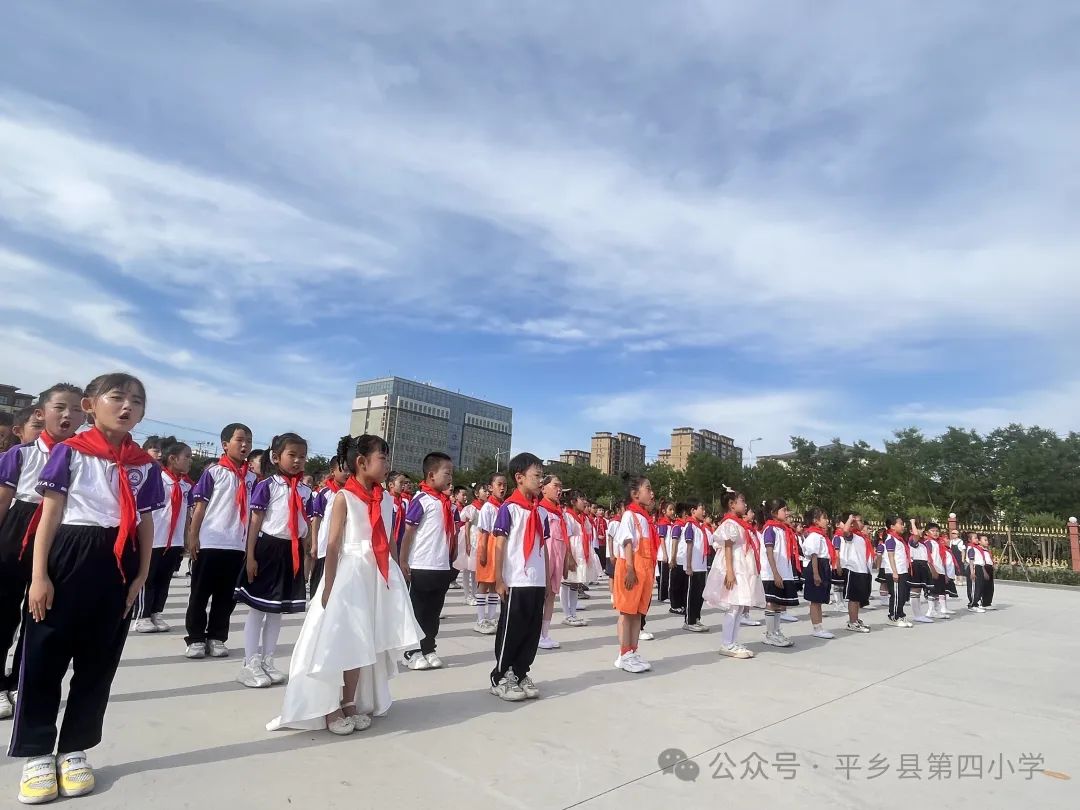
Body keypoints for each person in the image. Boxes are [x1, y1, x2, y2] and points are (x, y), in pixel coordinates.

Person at [9, 373, 163, 804]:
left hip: (119, 560)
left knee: (98, 661)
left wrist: (141, 576)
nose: (128, 406)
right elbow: (49, 516)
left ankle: (74, 747)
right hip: (70, 553)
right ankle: (37, 751)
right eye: (118, 397)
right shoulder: (71, 453)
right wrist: (40, 577)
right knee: (45, 654)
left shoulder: (144, 465)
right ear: (91, 406)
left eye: (137, 400)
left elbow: (147, 522)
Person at [268, 435, 422, 735]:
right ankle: (330, 706)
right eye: (382, 458)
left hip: (376, 575)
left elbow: (389, 539)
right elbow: (334, 543)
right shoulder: (344, 497)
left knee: (365, 641)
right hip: (349, 575)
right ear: (362, 462)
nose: (387, 464)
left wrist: (395, 574)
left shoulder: (387, 499)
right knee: (340, 640)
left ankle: (351, 701)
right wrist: (328, 586)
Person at [0, 383, 85, 722]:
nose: (68, 415)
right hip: (18, 532)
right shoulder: (19, 455)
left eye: (77, 409)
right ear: (41, 413)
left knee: (41, 617)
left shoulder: (82, 455)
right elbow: (4, 502)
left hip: (57, 536)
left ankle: (23, 681)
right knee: (4, 613)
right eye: (60, 407)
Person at [234, 433, 312, 687]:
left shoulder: (305, 490)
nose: (298, 461)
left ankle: (268, 660)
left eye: (302, 456)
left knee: (278, 610)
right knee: (258, 608)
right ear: (276, 457)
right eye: (292, 455)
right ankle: (250, 662)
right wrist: (251, 556)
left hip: (291, 551)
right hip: (267, 549)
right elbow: (255, 522)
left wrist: (307, 546)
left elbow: (305, 523)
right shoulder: (267, 485)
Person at [489, 453, 548, 701]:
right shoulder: (509, 508)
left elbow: (542, 548)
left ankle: (521, 671)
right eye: (537, 476)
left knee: (531, 630)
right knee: (511, 629)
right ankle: (500, 675)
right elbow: (499, 546)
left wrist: (547, 579)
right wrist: (498, 579)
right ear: (519, 477)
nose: (541, 480)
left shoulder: (540, 512)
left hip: (536, 580)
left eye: (542, 476)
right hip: (516, 580)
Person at [399, 452, 456, 670]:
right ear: (431, 475)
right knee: (417, 610)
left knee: (433, 612)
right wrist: (404, 560)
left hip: (441, 566)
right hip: (421, 565)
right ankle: (411, 651)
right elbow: (409, 533)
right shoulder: (421, 500)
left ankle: (428, 647)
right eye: (447, 473)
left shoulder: (446, 504)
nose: (451, 477)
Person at [134, 438, 193, 634]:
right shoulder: (157, 478)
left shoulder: (185, 486)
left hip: (174, 540)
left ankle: (156, 612)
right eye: (187, 457)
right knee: (147, 578)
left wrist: (186, 537)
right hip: (155, 538)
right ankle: (142, 615)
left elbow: (185, 515)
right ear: (173, 458)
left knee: (164, 579)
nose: (190, 461)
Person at [703, 489, 763, 659]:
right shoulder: (730, 524)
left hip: (742, 567)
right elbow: (728, 548)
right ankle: (727, 643)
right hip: (735, 568)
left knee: (739, 605)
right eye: (742, 501)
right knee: (733, 606)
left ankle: (733, 641)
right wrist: (729, 572)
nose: (745, 504)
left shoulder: (740, 523)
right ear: (731, 504)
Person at [612, 476, 657, 674]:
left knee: (638, 613)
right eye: (648, 488)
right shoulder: (630, 515)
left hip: (644, 570)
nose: (651, 492)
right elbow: (627, 543)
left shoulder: (645, 518)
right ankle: (624, 654)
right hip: (632, 569)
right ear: (635, 494)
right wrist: (630, 569)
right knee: (627, 613)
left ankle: (633, 650)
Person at [537, 475, 571, 650]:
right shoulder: (540, 510)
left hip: (557, 560)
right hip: (543, 560)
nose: (559, 489)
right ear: (543, 488)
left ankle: (544, 634)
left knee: (551, 596)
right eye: (555, 485)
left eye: (561, 486)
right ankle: (534, 634)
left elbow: (564, 540)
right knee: (539, 596)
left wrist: (565, 562)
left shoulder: (559, 513)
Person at [760, 498, 800, 647]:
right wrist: (775, 573)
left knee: (778, 604)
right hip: (772, 573)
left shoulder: (782, 529)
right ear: (773, 513)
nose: (787, 512)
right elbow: (769, 553)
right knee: (771, 602)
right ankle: (769, 634)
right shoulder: (770, 529)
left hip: (783, 571)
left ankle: (776, 632)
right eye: (784, 510)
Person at [308, 457, 349, 599]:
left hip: (344, 548)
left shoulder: (351, 494)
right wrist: (314, 544)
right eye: (343, 469)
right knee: (319, 584)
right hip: (325, 546)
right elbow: (316, 521)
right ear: (332, 471)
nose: (347, 473)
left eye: (350, 469)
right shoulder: (325, 493)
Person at [473, 472, 507, 635]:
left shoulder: (503, 507)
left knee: (495, 583)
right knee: (484, 583)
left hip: (499, 550)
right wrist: (483, 553)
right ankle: (480, 619)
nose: (502, 488)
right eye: (499, 484)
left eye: (504, 485)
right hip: (488, 547)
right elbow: (485, 532)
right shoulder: (488, 507)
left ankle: (492, 617)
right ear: (490, 487)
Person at [801, 507, 838, 639]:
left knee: (819, 600)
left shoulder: (821, 535)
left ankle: (819, 626)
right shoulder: (815, 535)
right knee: (815, 600)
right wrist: (816, 574)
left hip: (823, 565)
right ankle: (816, 628)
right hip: (817, 566)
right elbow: (814, 556)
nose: (827, 521)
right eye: (824, 518)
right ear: (816, 521)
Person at [562, 491, 597, 627]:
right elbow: (567, 538)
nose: (585, 502)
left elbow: (587, 534)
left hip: (581, 552)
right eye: (581, 499)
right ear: (573, 502)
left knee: (576, 583)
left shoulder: (584, 518)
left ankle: (573, 613)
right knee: (566, 582)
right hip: (573, 551)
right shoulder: (568, 517)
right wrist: (569, 556)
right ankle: (567, 614)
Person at [835, 512, 872, 633]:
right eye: (859, 521)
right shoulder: (850, 535)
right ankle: (852, 622)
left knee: (858, 598)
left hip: (861, 569)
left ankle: (855, 619)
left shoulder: (861, 536)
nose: (861, 523)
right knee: (853, 598)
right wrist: (850, 519)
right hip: (853, 569)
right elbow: (845, 530)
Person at [681, 501, 711, 633]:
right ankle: (689, 621)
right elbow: (689, 546)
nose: (704, 512)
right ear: (693, 511)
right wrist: (688, 566)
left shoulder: (701, 527)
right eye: (702, 509)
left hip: (701, 566)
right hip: (693, 566)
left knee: (700, 595)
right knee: (691, 594)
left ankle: (696, 618)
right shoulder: (690, 526)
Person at [457, 484, 486, 607]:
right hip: (472, 538)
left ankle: (474, 594)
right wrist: (468, 542)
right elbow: (467, 525)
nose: (487, 492)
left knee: (475, 569)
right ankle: (467, 595)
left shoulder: (485, 507)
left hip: (480, 538)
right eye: (484, 490)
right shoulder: (472, 508)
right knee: (467, 568)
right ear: (477, 493)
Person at [883, 516, 913, 627]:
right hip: (894, 571)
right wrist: (894, 572)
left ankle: (900, 615)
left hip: (902, 570)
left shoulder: (899, 539)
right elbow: (891, 557)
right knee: (896, 595)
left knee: (902, 595)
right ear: (892, 526)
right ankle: (893, 617)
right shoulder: (891, 539)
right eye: (900, 523)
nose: (903, 526)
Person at [668, 503, 689, 616]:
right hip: (678, 559)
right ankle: (674, 606)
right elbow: (674, 543)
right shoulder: (677, 526)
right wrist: (673, 558)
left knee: (683, 585)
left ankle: (682, 604)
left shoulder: (686, 526)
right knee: (676, 584)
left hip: (685, 560)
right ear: (683, 513)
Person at [966, 533, 987, 613]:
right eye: (975, 538)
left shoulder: (977, 548)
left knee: (979, 586)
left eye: (977, 538)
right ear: (970, 540)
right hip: (974, 568)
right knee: (974, 587)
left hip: (979, 568)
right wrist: (972, 572)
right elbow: (971, 561)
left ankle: (976, 603)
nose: (977, 539)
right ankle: (972, 604)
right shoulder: (971, 548)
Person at [979, 534, 996, 609]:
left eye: (987, 540)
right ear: (979, 541)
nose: (987, 542)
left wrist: (993, 564)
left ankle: (988, 602)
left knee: (990, 586)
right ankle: (983, 603)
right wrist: (984, 572)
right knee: (984, 586)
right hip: (984, 568)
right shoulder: (979, 550)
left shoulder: (987, 550)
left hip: (989, 568)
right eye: (985, 540)